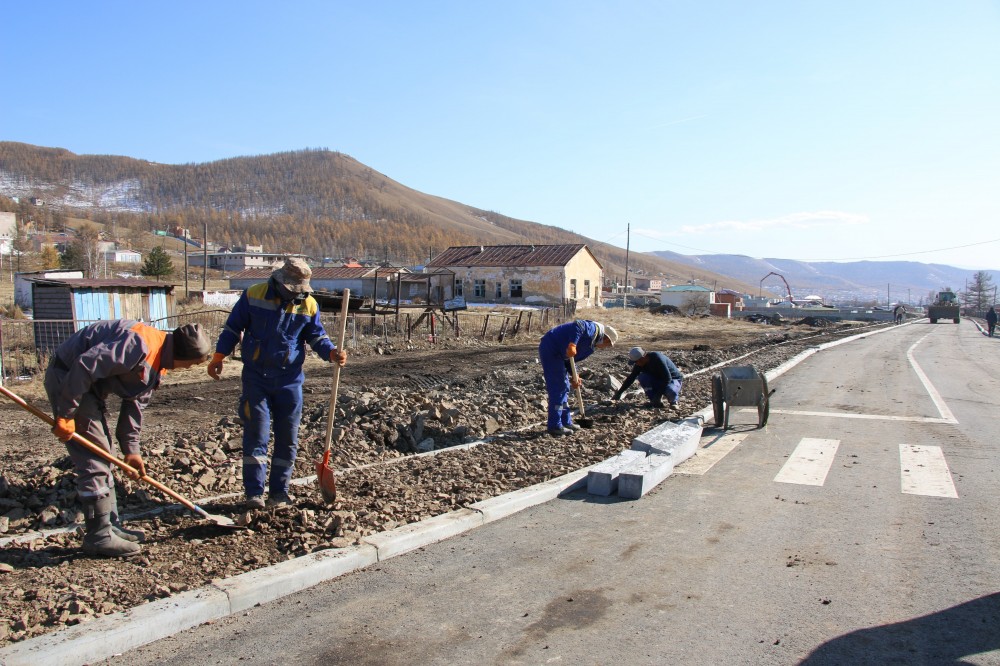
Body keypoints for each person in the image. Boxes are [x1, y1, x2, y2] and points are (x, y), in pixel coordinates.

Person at [45, 320, 212, 557]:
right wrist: (66, 413)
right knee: (95, 456)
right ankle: (98, 535)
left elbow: (134, 407)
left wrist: (131, 451)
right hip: (68, 379)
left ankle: (110, 526)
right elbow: (84, 365)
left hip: (88, 388)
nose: (187, 369)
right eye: (191, 364)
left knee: (107, 454)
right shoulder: (138, 345)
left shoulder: (157, 363)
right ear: (182, 355)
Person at [207, 257, 347, 509]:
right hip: (256, 378)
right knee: (256, 432)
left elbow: (316, 336)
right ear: (280, 282)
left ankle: (279, 493)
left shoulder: (309, 304)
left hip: (289, 380)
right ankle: (254, 494)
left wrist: (331, 353)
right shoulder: (253, 295)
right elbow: (232, 328)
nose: (296, 295)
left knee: (288, 437)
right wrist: (219, 355)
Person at [537, 319, 617, 436]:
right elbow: (578, 325)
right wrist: (573, 343)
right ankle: (555, 425)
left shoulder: (590, 347)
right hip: (551, 348)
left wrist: (575, 375)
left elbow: (570, 359)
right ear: (606, 338)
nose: (605, 347)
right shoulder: (594, 329)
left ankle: (566, 421)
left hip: (560, 355)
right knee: (558, 387)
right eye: (608, 344)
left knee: (565, 387)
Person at [612, 347, 684, 408]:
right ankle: (654, 401)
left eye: (636, 362)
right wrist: (619, 393)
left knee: (670, 391)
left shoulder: (657, 359)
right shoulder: (640, 364)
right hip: (658, 380)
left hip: (673, 380)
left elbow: (667, 378)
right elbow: (631, 377)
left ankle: (673, 402)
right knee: (643, 377)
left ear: (643, 358)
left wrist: (658, 395)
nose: (636, 364)